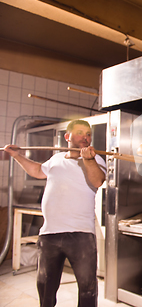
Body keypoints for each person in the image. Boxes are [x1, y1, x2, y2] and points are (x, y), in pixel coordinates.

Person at [4, 120, 106, 307]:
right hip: (49, 234)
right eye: (80, 132)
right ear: (67, 137)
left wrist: (88, 159)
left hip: (81, 235)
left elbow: (98, 180)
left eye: (88, 134)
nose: (85, 137)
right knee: (45, 288)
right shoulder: (56, 159)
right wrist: (16, 155)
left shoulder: (96, 159)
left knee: (87, 290)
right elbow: (36, 170)